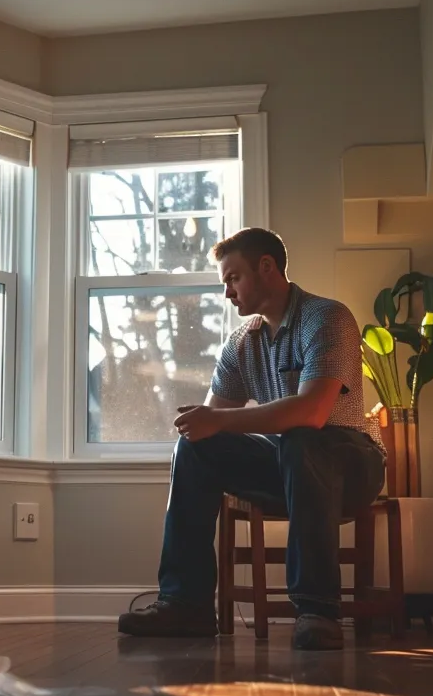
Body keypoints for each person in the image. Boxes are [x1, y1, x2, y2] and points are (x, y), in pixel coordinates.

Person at [117, 227, 386, 650]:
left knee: (302, 439)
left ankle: (317, 610)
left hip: (352, 464)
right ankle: (186, 604)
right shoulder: (242, 343)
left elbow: (312, 413)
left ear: (266, 267)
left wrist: (219, 423)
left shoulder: (327, 318)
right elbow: (213, 422)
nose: (228, 293)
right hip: (288, 463)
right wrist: (202, 426)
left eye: (233, 278)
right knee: (195, 448)